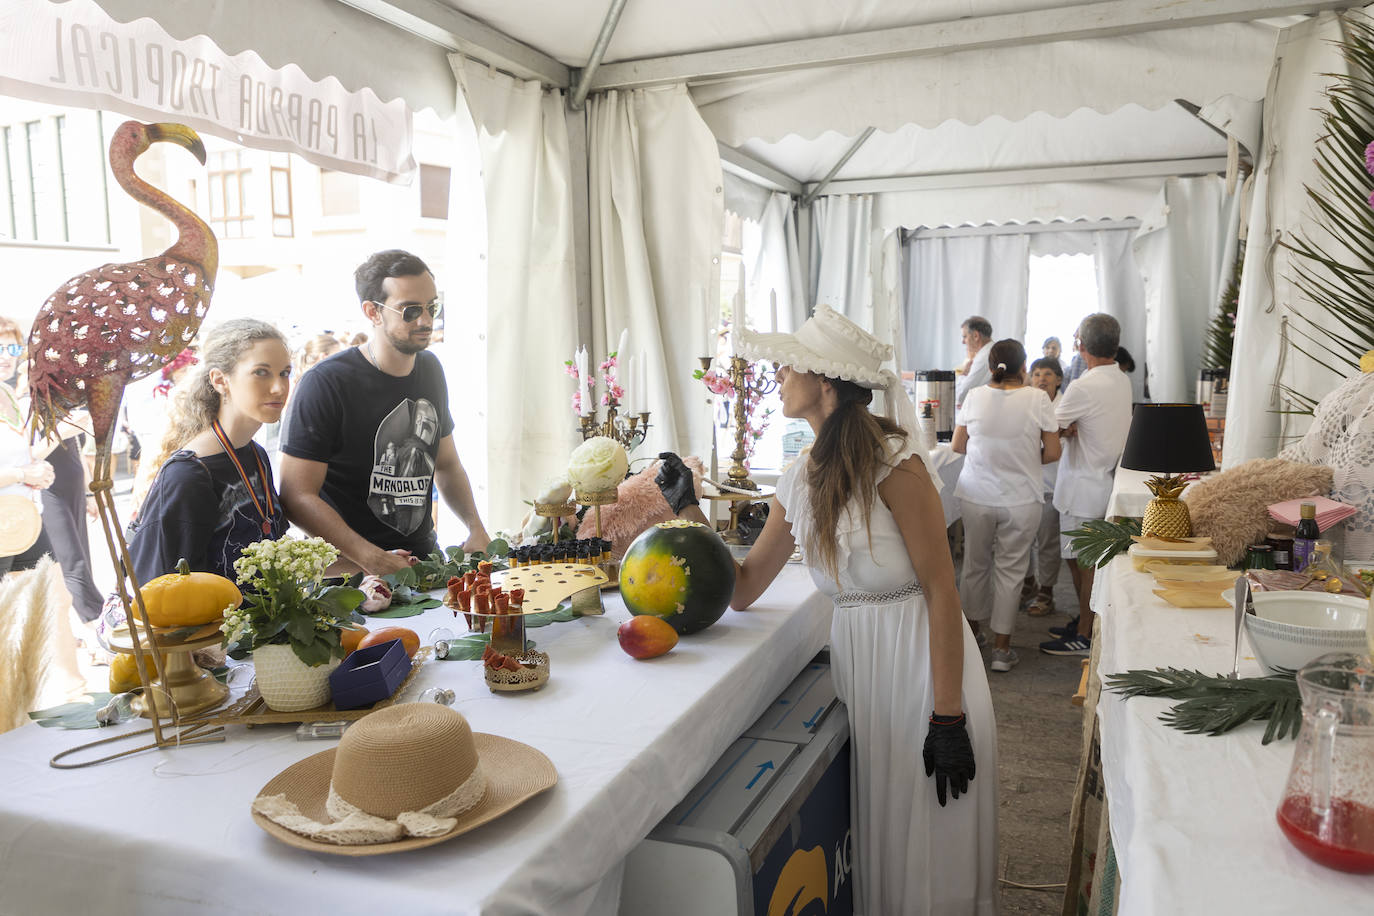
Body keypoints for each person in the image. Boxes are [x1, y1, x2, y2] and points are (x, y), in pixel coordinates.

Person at [660, 305, 997, 915]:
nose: (780, 376)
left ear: (824, 382)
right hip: (866, 669)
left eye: (791, 366)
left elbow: (943, 589)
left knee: (931, 840)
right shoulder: (800, 476)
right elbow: (742, 586)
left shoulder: (897, 463)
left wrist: (947, 715)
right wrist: (686, 510)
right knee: (890, 831)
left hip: (923, 665)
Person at [280, 250, 489, 575]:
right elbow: (296, 496)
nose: (426, 320)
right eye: (410, 310)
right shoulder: (326, 383)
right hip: (351, 579)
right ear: (373, 312)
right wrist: (370, 558)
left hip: (423, 566)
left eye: (433, 307)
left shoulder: (431, 369)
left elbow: (447, 465)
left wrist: (475, 526)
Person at [126, 320, 292, 582]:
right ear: (220, 380)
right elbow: (163, 592)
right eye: (261, 372)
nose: (279, 388)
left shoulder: (255, 454)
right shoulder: (189, 474)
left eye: (285, 373)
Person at [951, 340, 1060, 672]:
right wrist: (1024, 460)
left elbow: (958, 446)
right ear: (1024, 367)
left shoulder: (975, 397)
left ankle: (972, 638)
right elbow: (1053, 453)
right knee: (1011, 572)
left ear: (990, 367)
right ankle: (1002, 650)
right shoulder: (1038, 399)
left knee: (974, 565)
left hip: (976, 495)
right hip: (1021, 498)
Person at [1040, 314, 1133, 656]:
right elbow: (1064, 425)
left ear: (1079, 345)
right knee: (1079, 559)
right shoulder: (1120, 379)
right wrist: (1067, 427)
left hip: (1083, 484)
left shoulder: (1083, 386)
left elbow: (1049, 426)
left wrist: (1065, 428)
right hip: (1099, 480)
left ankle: (1084, 634)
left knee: (1086, 563)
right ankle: (1084, 618)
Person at [1025, 357, 1065, 616]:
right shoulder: (1026, 405)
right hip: (1026, 484)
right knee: (1021, 539)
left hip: (1052, 483)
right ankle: (1028, 583)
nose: (1041, 379)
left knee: (1047, 542)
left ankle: (1046, 592)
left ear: (1058, 379)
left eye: (1048, 374)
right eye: (1036, 373)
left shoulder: (1063, 407)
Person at [954, 315, 993, 409]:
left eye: (965, 337)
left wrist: (964, 374)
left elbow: (961, 396)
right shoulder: (988, 352)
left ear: (976, 336)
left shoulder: (984, 357)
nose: (963, 342)